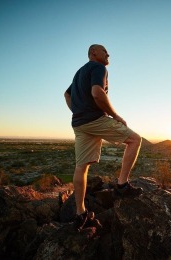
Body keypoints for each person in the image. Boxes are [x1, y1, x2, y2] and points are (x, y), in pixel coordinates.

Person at [64, 44, 143, 231]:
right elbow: (97, 93)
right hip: (94, 118)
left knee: (81, 167)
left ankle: (80, 213)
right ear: (94, 53)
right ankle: (122, 185)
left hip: (79, 123)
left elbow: (67, 94)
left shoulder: (79, 72)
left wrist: (78, 110)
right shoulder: (99, 67)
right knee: (135, 140)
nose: (108, 54)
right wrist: (115, 115)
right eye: (104, 51)